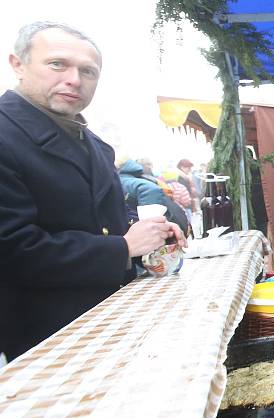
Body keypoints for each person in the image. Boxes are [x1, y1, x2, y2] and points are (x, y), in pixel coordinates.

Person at [0, 22, 185, 363]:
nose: (74, 79)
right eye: (58, 64)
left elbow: (101, 216)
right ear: (18, 65)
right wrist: (123, 247)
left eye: (88, 71)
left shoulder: (95, 145)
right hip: (48, 339)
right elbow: (12, 250)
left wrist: (148, 231)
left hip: (114, 321)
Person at [118, 159, 190, 235]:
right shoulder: (139, 177)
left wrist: (148, 229)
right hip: (175, 221)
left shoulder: (123, 181)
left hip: (165, 231)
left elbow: (150, 190)